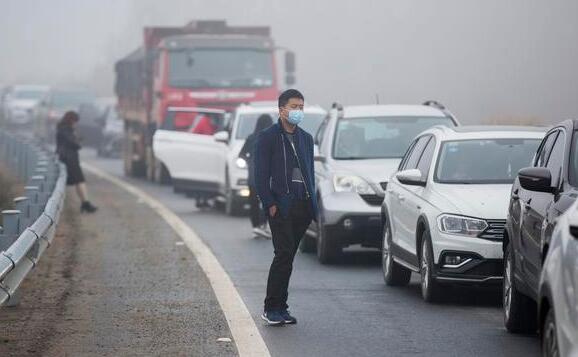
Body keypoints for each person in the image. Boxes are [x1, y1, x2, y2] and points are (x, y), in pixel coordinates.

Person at [255, 89, 318, 326]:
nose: (298, 111)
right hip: (280, 207)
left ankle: (282, 307)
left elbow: (309, 173)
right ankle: (271, 308)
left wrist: (313, 205)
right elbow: (260, 175)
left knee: (289, 256)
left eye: (301, 107)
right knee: (283, 254)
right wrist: (270, 203)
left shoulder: (306, 139)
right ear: (281, 109)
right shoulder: (268, 137)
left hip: (302, 206)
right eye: (294, 107)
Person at [56, 111, 98, 213]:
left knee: (72, 181)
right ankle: (85, 203)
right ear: (71, 120)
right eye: (75, 121)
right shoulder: (66, 129)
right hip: (69, 159)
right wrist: (77, 141)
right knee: (79, 180)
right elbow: (72, 143)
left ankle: (85, 203)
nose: (76, 124)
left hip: (66, 157)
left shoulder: (62, 128)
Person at [239, 113, 273, 236]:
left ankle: (256, 226)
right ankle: (263, 225)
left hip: (253, 175)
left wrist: (249, 162)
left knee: (253, 201)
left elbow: (241, 155)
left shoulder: (251, 138)